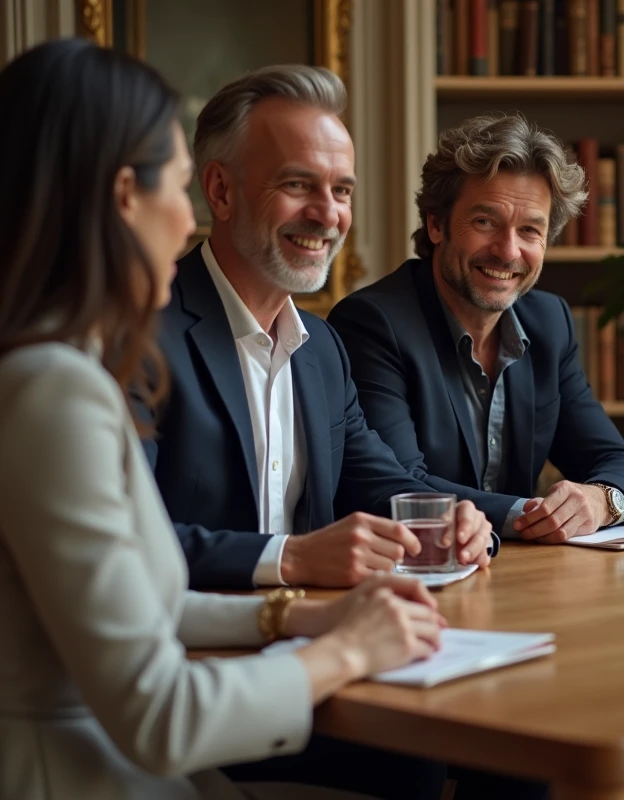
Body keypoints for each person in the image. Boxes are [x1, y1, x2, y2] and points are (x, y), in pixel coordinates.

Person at [0, 38, 450, 800]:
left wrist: (301, 621)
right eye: (177, 189)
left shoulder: (52, 367)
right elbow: (160, 716)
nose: (184, 225)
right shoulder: (54, 388)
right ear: (122, 199)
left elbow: (147, 605)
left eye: (342, 189)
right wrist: (346, 651)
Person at [144, 65, 495, 592]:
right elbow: (127, 542)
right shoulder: (138, 336)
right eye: (297, 184)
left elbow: (378, 482)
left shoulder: (322, 346)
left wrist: (457, 521)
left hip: (315, 636)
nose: (328, 215)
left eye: (342, 191)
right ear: (220, 190)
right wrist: (291, 559)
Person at [327, 113, 624, 544]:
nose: (508, 251)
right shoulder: (372, 323)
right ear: (436, 224)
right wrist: (532, 515)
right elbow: (400, 487)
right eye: (485, 223)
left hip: (519, 575)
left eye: (530, 231)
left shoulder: (549, 322)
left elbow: (617, 460)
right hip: (415, 575)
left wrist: (600, 500)